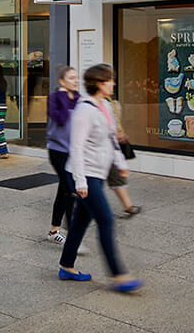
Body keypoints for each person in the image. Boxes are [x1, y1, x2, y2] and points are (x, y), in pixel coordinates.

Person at [58, 63, 142, 293]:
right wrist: (81, 181)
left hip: (97, 172)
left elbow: (111, 139)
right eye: (109, 81)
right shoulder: (84, 111)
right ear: (98, 84)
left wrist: (121, 163)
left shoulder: (105, 106)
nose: (113, 83)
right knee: (106, 221)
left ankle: (66, 265)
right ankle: (119, 276)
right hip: (84, 173)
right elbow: (75, 147)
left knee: (80, 221)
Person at [45, 66, 80, 243]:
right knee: (69, 189)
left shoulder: (78, 98)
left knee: (65, 190)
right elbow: (61, 119)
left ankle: (54, 231)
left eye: (76, 77)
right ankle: (72, 235)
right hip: (58, 151)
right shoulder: (54, 98)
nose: (76, 81)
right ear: (61, 81)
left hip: (73, 152)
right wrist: (64, 97)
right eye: (71, 78)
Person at [107, 96, 141, 218]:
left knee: (117, 177)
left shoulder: (111, 103)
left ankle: (128, 206)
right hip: (100, 153)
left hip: (110, 150)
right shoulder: (93, 105)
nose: (113, 84)